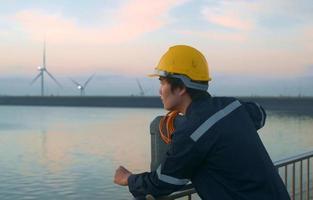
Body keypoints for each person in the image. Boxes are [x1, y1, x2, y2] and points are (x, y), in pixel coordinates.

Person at [114, 45, 290, 200]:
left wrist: (128, 179)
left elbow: (162, 182)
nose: (160, 91)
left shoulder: (191, 133)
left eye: (163, 82)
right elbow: (259, 113)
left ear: (181, 87)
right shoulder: (232, 106)